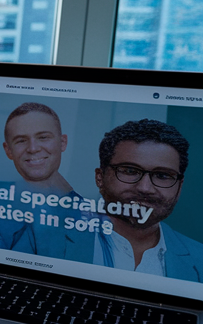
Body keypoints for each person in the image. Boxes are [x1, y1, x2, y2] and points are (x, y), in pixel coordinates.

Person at [76, 119, 203, 280]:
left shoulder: (200, 259)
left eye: (162, 175)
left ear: (179, 186)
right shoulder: (46, 236)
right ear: (100, 177)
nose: (145, 188)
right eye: (130, 171)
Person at [0, 102, 82, 251]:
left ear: (62, 143)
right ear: (8, 151)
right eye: (21, 141)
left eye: (43, 137)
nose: (33, 149)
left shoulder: (87, 212)